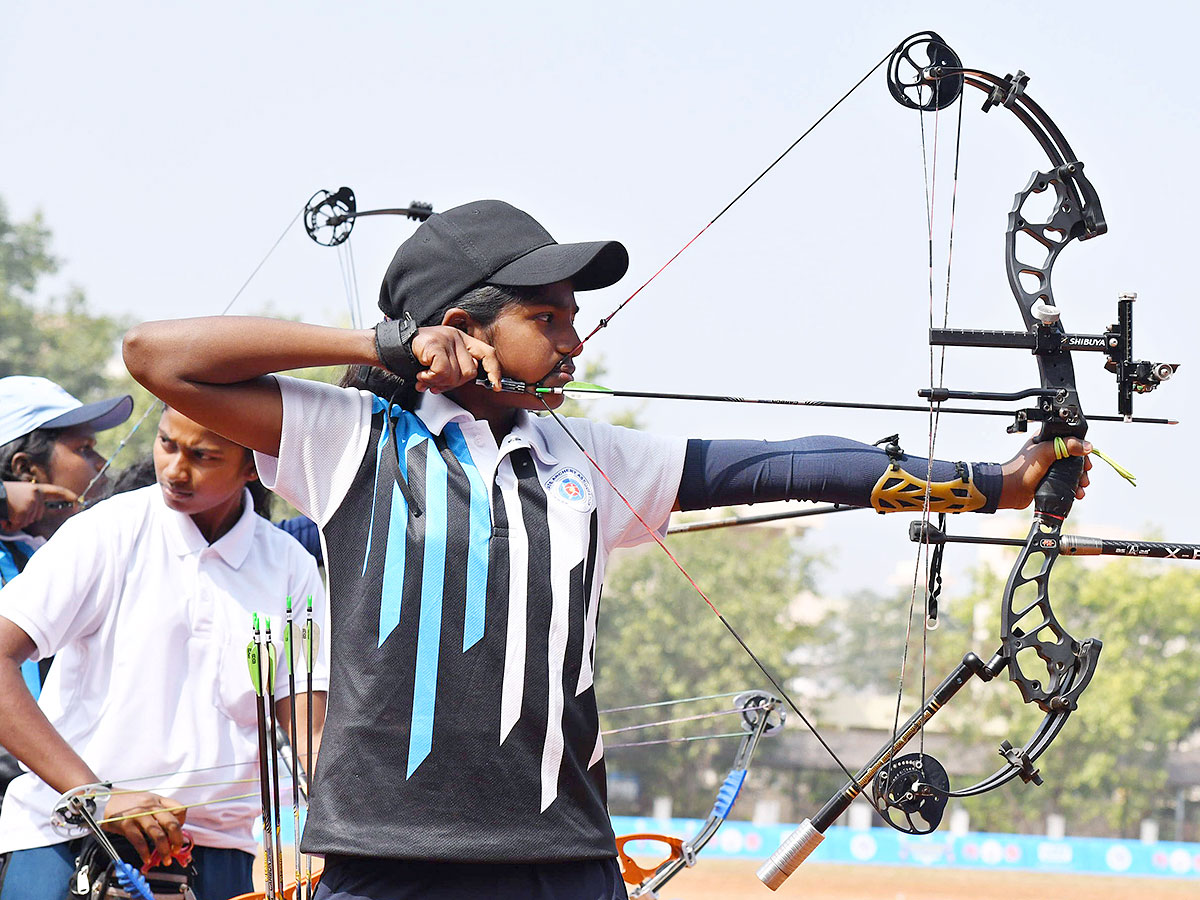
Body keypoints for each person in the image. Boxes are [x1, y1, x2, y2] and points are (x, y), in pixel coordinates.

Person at [120, 199, 1091, 900]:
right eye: (548, 318)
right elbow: (157, 357)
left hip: (563, 858)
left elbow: (789, 463)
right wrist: (384, 343)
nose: (575, 341)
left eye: (573, 317)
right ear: (459, 329)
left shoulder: (583, 457)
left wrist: (986, 483)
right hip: (390, 859)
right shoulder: (349, 438)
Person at [0, 405, 329, 900]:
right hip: (67, 842)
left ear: (254, 466)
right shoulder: (106, 531)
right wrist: (95, 795)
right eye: (166, 443)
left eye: (202, 455)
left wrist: (349, 828)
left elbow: (310, 730)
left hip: (222, 859)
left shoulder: (289, 567)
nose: (174, 469)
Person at [0, 376, 133, 810]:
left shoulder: (69, 555)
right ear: (25, 470)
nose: (102, 465)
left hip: (56, 802)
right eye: (84, 450)